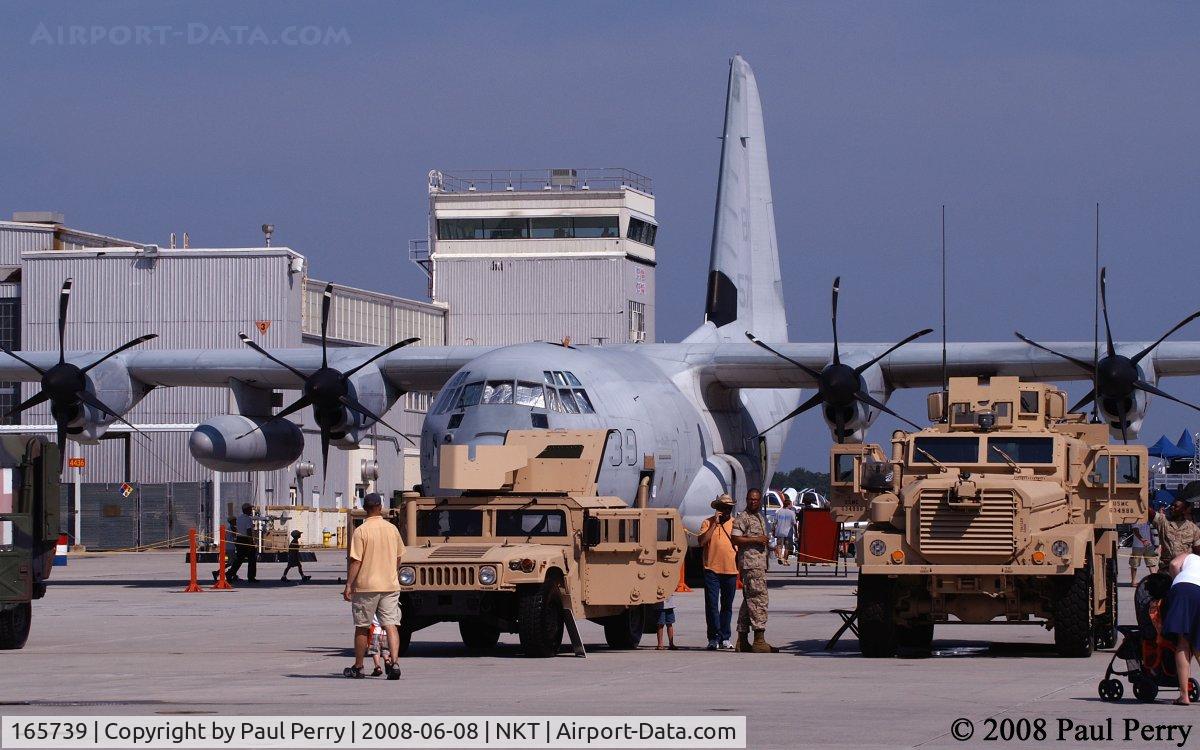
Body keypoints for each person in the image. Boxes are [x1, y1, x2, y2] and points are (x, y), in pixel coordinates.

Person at [343, 492, 404, 679]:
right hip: (389, 585)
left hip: (366, 586)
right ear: (380, 507)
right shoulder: (392, 529)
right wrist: (390, 572)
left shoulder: (361, 531)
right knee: (391, 625)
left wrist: (348, 585)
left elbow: (356, 561)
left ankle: (359, 667)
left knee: (362, 626)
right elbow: (399, 557)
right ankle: (394, 664)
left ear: (365, 508)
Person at [731, 488, 777, 653]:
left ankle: (742, 639)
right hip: (751, 565)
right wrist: (755, 539)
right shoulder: (742, 518)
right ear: (746, 499)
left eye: (756, 500)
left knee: (748, 601)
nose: (753, 502)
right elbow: (735, 538)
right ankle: (759, 640)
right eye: (750, 499)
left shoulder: (760, 518)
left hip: (759, 564)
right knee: (759, 599)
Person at [698, 494, 738, 650]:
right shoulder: (708, 523)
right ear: (717, 509)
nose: (725, 511)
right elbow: (701, 541)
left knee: (727, 606)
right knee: (712, 606)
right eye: (722, 508)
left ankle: (725, 637)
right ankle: (713, 637)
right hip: (711, 569)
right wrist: (715, 524)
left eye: (728, 508)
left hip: (731, 570)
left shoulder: (736, 524)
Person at [1164, 552, 1200, 705]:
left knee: (1183, 641)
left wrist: (1176, 579)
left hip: (1183, 589)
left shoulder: (1190, 556)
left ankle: (1184, 695)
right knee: (1198, 645)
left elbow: (1173, 564)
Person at [1153, 490, 1200, 572]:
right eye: (1172, 505)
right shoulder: (1163, 521)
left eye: (1176, 506)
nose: (1172, 507)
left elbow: (1197, 552)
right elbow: (1149, 512)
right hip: (1166, 569)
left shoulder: (1193, 528)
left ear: (1184, 510)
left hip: (1184, 570)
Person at [224, 503, 258, 582]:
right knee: (252, 560)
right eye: (250, 509)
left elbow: (236, 530)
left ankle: (230, 573)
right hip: (246, 540)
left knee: (238, 560)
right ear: (246, 510)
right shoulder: (248, 519)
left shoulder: (238, 519)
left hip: (239, 540)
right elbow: (249, 531)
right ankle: (251, 577)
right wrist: (251, 543)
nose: (251, 510)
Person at [1129, 509, 1159, 586]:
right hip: (1138, 545)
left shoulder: (1148, 519)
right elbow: (1135, 530)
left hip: (1148, 545)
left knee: (1152, 564)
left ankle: (1155, 582)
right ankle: (1133, 581)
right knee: (1134, 564)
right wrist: (1142, 540)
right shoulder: (1135, 518)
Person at [772, 497, 797, 565]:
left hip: (779, 532)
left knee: (779, 546)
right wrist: (796, 532)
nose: (792, 505)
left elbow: (774, 522)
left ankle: (780, 557)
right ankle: (785, 560)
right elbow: (794, 524)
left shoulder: (778, 512)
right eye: (791, 504)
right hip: (788, 533)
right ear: (788, 505)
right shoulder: (792, 513)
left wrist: (773, 530)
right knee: (787, 547)